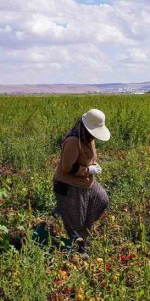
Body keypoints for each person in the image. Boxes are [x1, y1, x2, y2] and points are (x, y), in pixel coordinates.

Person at [54, 109, 111, 255]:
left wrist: (94, 165)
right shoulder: (73, 141)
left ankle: (82, 232)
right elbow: (67, 168)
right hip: (69, 185)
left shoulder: (88, 138)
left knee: (101, 199)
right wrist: (87, 170)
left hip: (86, 183)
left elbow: (89, 158)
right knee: (76, 222)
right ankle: (79, 250)